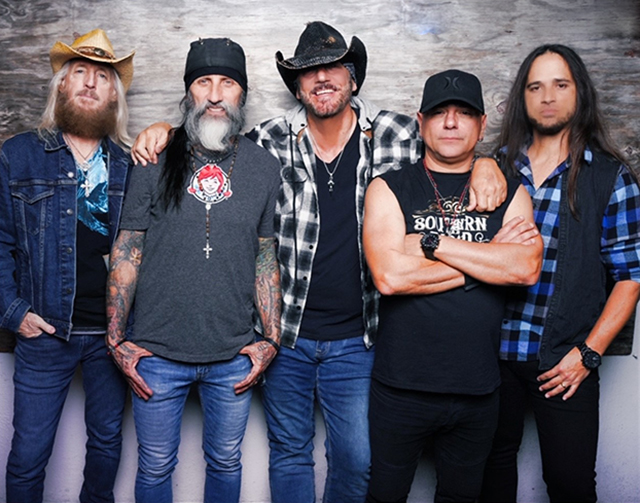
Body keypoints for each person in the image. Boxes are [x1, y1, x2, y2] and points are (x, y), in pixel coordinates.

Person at [130, 21, 506, 503]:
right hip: (286, 336)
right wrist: (163, 129)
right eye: (309, 71)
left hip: (360, 338)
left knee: (357, 459)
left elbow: (451, 144)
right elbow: (205, 136)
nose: (322, 77)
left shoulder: (396, 133)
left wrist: (486, 162)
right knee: (290, 452)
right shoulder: (266, 140)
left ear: (353, 78)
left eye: (334, 67)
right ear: (297, 85)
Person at [105, 37, 281, 503]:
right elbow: (128, 249)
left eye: (228, 83)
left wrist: (271, 340)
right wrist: (116, 340)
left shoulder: (264, 167)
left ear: (243, 95)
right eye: (204, 82)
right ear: (189, 93)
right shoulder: (153, 156)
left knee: (226, 462)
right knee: (156, 464)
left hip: (232, 356)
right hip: (157, 353)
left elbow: (266, 256)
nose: (217, 94)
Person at [362, 69, 543, 503]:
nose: (450, 123)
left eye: (464, 113)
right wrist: (487, 258)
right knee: (384, 496)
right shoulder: (388, 187)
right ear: (420, 121)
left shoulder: (509, 190)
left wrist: (430, 244)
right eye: (440, 113)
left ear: (482, 125)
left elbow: (524, 269)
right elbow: (389, 277)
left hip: (477, 392)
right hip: (401, 386)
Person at [479, 44, 640, 503]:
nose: (547, 96)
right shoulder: (496, 169)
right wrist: (482, 164)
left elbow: (631, 277)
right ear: (522, 98)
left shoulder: (611, 178)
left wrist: (586, 355)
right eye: (535, 86)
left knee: (569, 486)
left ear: (579, 94)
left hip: (565, 358)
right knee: (488, 480)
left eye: (560, 84)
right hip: (491, 356)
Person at [0, 29, 134, 503]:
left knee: (106, 446)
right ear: (61, 85)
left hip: (110, 338)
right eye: (80, 72)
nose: (91, 83)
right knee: (29, 454)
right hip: (44, 332)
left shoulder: (129, 163)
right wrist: (14, 312)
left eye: (103, 76)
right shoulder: (19, 155)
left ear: (114, 95)